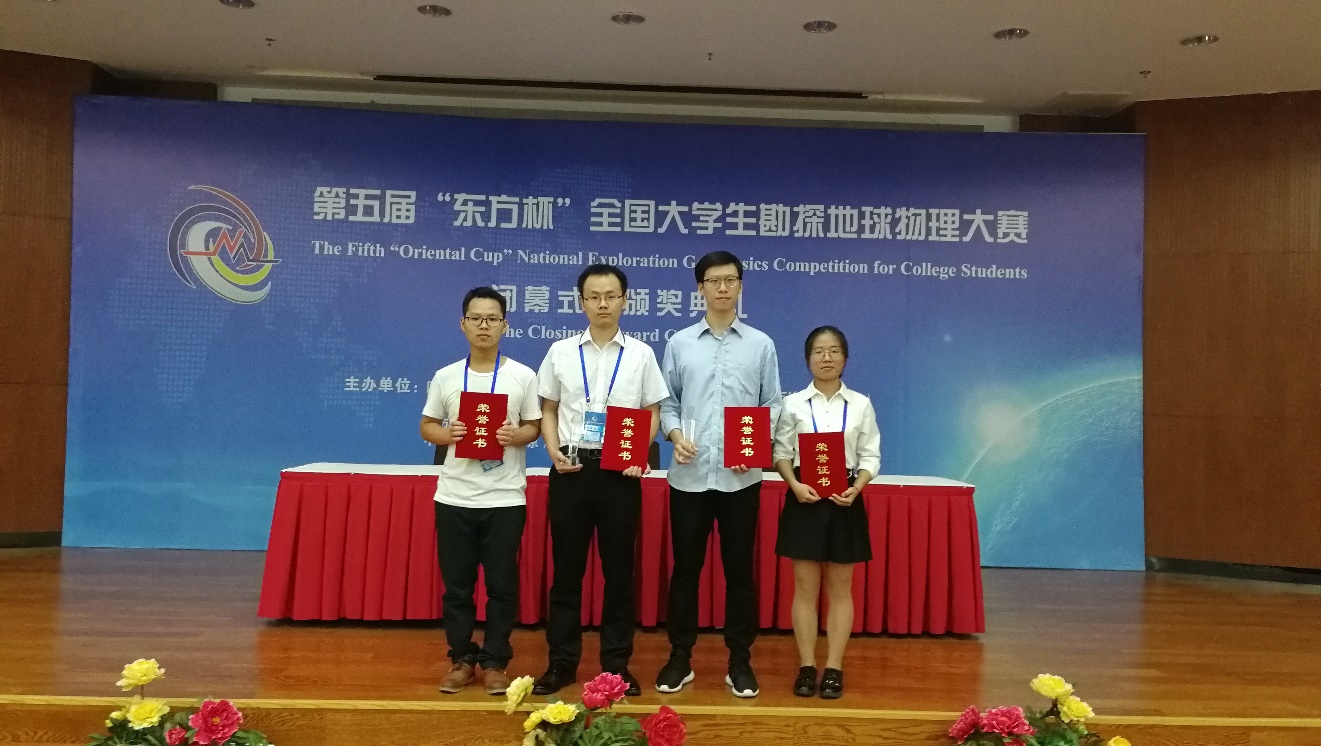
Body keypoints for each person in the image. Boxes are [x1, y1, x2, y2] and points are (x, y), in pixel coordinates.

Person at [532, 263, 668, 697]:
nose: (603, 303)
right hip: (571, 469)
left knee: (619, 573)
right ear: (582, 302)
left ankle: (616, 665)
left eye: (611, 295)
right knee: (566, 573)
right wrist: (552, 449)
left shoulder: (641, 354)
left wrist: (639, 455)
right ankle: (561, 663)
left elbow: (652, 410)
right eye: (594, 296)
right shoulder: (561, 351)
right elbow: (548, 407)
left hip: (619, 474)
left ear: (625, 300)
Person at [655, 251, 782, 698]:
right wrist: (674, 435)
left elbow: (772, 404)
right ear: (700, 288)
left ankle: (740, 660)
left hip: (740, 480)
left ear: (741, 286)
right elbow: (667, 402)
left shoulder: (761, 344)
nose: (723, 288)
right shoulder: (680, 343)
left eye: (730, 280)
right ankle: (680, 657)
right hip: (689, 476)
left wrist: (756, 446)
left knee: (739, 572)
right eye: (714, 280)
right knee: (685, 572)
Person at [420, 286, 543, 696]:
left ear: (505, 325)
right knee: (457, 587)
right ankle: (461, 659)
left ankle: (494, 662)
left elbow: (534, 426)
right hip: (454, 496)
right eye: (476, 318)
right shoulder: (446, 376)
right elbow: (427, 426)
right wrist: (448, 434)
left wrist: (515, 435)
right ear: (463, 324)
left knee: (501, 587)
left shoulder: (523, 375)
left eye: (492, 319)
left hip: (505, 498)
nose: (484, 325)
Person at [772, 325, 879, 700]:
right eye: (819, 351)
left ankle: (834, 667)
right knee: (804, 588)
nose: (827, 357)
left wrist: (857, 487)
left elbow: (870, 456)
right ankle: (806, 666)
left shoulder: (861, 404)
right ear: (808, 359)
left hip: (844, 499)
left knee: (840, 589)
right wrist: (794, 485)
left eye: (834, 350)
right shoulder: (793, 404)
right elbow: (781, 453)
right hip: (805, 496)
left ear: (845, 358)